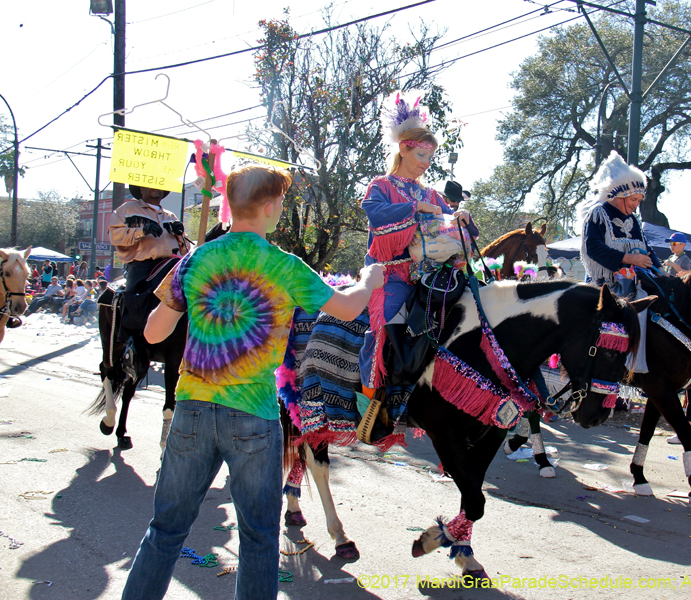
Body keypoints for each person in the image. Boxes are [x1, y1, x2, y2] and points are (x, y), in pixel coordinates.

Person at [121, 163, 385, 600]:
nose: (281, 208)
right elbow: (347, 309)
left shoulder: (195, 259)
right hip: (253, 419)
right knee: (259, 540)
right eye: (281, 202)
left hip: (191, 410)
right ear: (267, 207)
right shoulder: (284, 266)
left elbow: (153, 333)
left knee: (164, 531)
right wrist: (369, 279)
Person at [359, 90, 471, 390]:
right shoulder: (380, 185)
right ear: (404, 150)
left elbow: (450, 222)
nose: (426, 163)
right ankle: (372, 396)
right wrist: (415, 207)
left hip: (431, 274)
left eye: (429, 157)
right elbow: (374, 213)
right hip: (390, 274)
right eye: (421, 155)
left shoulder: (431, 193)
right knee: (384, 323)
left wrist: (460, 218)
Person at [577, 150, 662, 299]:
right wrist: (627, 258)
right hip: (604, 287)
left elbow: (646, 248)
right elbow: (593, 247)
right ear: (620, 196)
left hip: (636, 284)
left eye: (639, 201)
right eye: (633, 199)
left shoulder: (633, 219)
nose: (636, 205)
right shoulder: (599, 214)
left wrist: (661, 272)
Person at [108, 185, 190, 293]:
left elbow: (186, 251)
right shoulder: (127, 209)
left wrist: (180, 235)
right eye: (150, 185)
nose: (156, 188)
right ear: (141, 189)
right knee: (136, 301)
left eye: (160, 186)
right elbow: (115, 236)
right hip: (142, 268)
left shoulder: (170, 216)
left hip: (170, 268)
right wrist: (142, 231)